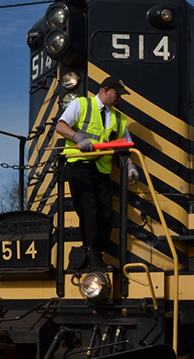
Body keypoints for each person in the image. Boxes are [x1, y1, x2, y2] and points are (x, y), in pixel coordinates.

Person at [56, 76, 139, 269]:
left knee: (105, 213)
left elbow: (124, 147)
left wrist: (130, 167)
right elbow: (60, 126)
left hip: (101, 169)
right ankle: (90, 254)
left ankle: (96, 254)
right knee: (89, 209)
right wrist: (77, 137)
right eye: (117, 94)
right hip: (79, 164)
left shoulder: (119, 119)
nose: (120, 98)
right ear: (105, 90)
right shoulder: (81, 104)